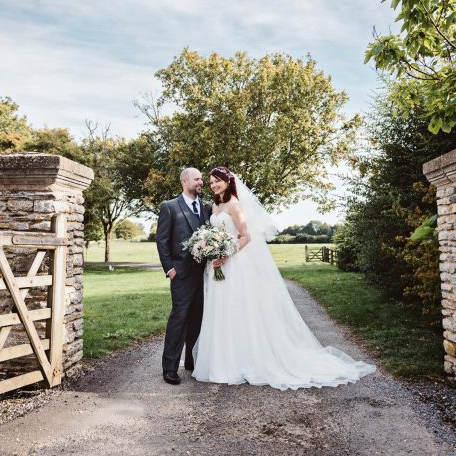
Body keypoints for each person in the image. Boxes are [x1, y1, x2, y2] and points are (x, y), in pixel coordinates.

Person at [192, 167, 376, 390]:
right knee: (220, 309)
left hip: (234, 264)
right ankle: (221, 361)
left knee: (238, 307)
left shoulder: (234, 205)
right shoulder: (215, 205)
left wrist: (226, 253)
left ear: (228, 182)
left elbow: (246, 236)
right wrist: (211, 250)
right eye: (211, 182)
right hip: (217, 267)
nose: (213, 185)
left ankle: (245, 360)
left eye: (217, 181)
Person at [155, 167, 212, 385]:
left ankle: (192, 360)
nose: (201, 182)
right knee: (179, 319)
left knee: (198, 317)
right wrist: (170, 269)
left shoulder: (206, 208)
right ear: (185, 181)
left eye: (201, 179)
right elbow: (162, 240)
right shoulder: (170, 207)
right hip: (181, 274)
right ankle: (169, 368)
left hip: (204, 274)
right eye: (197, 179)